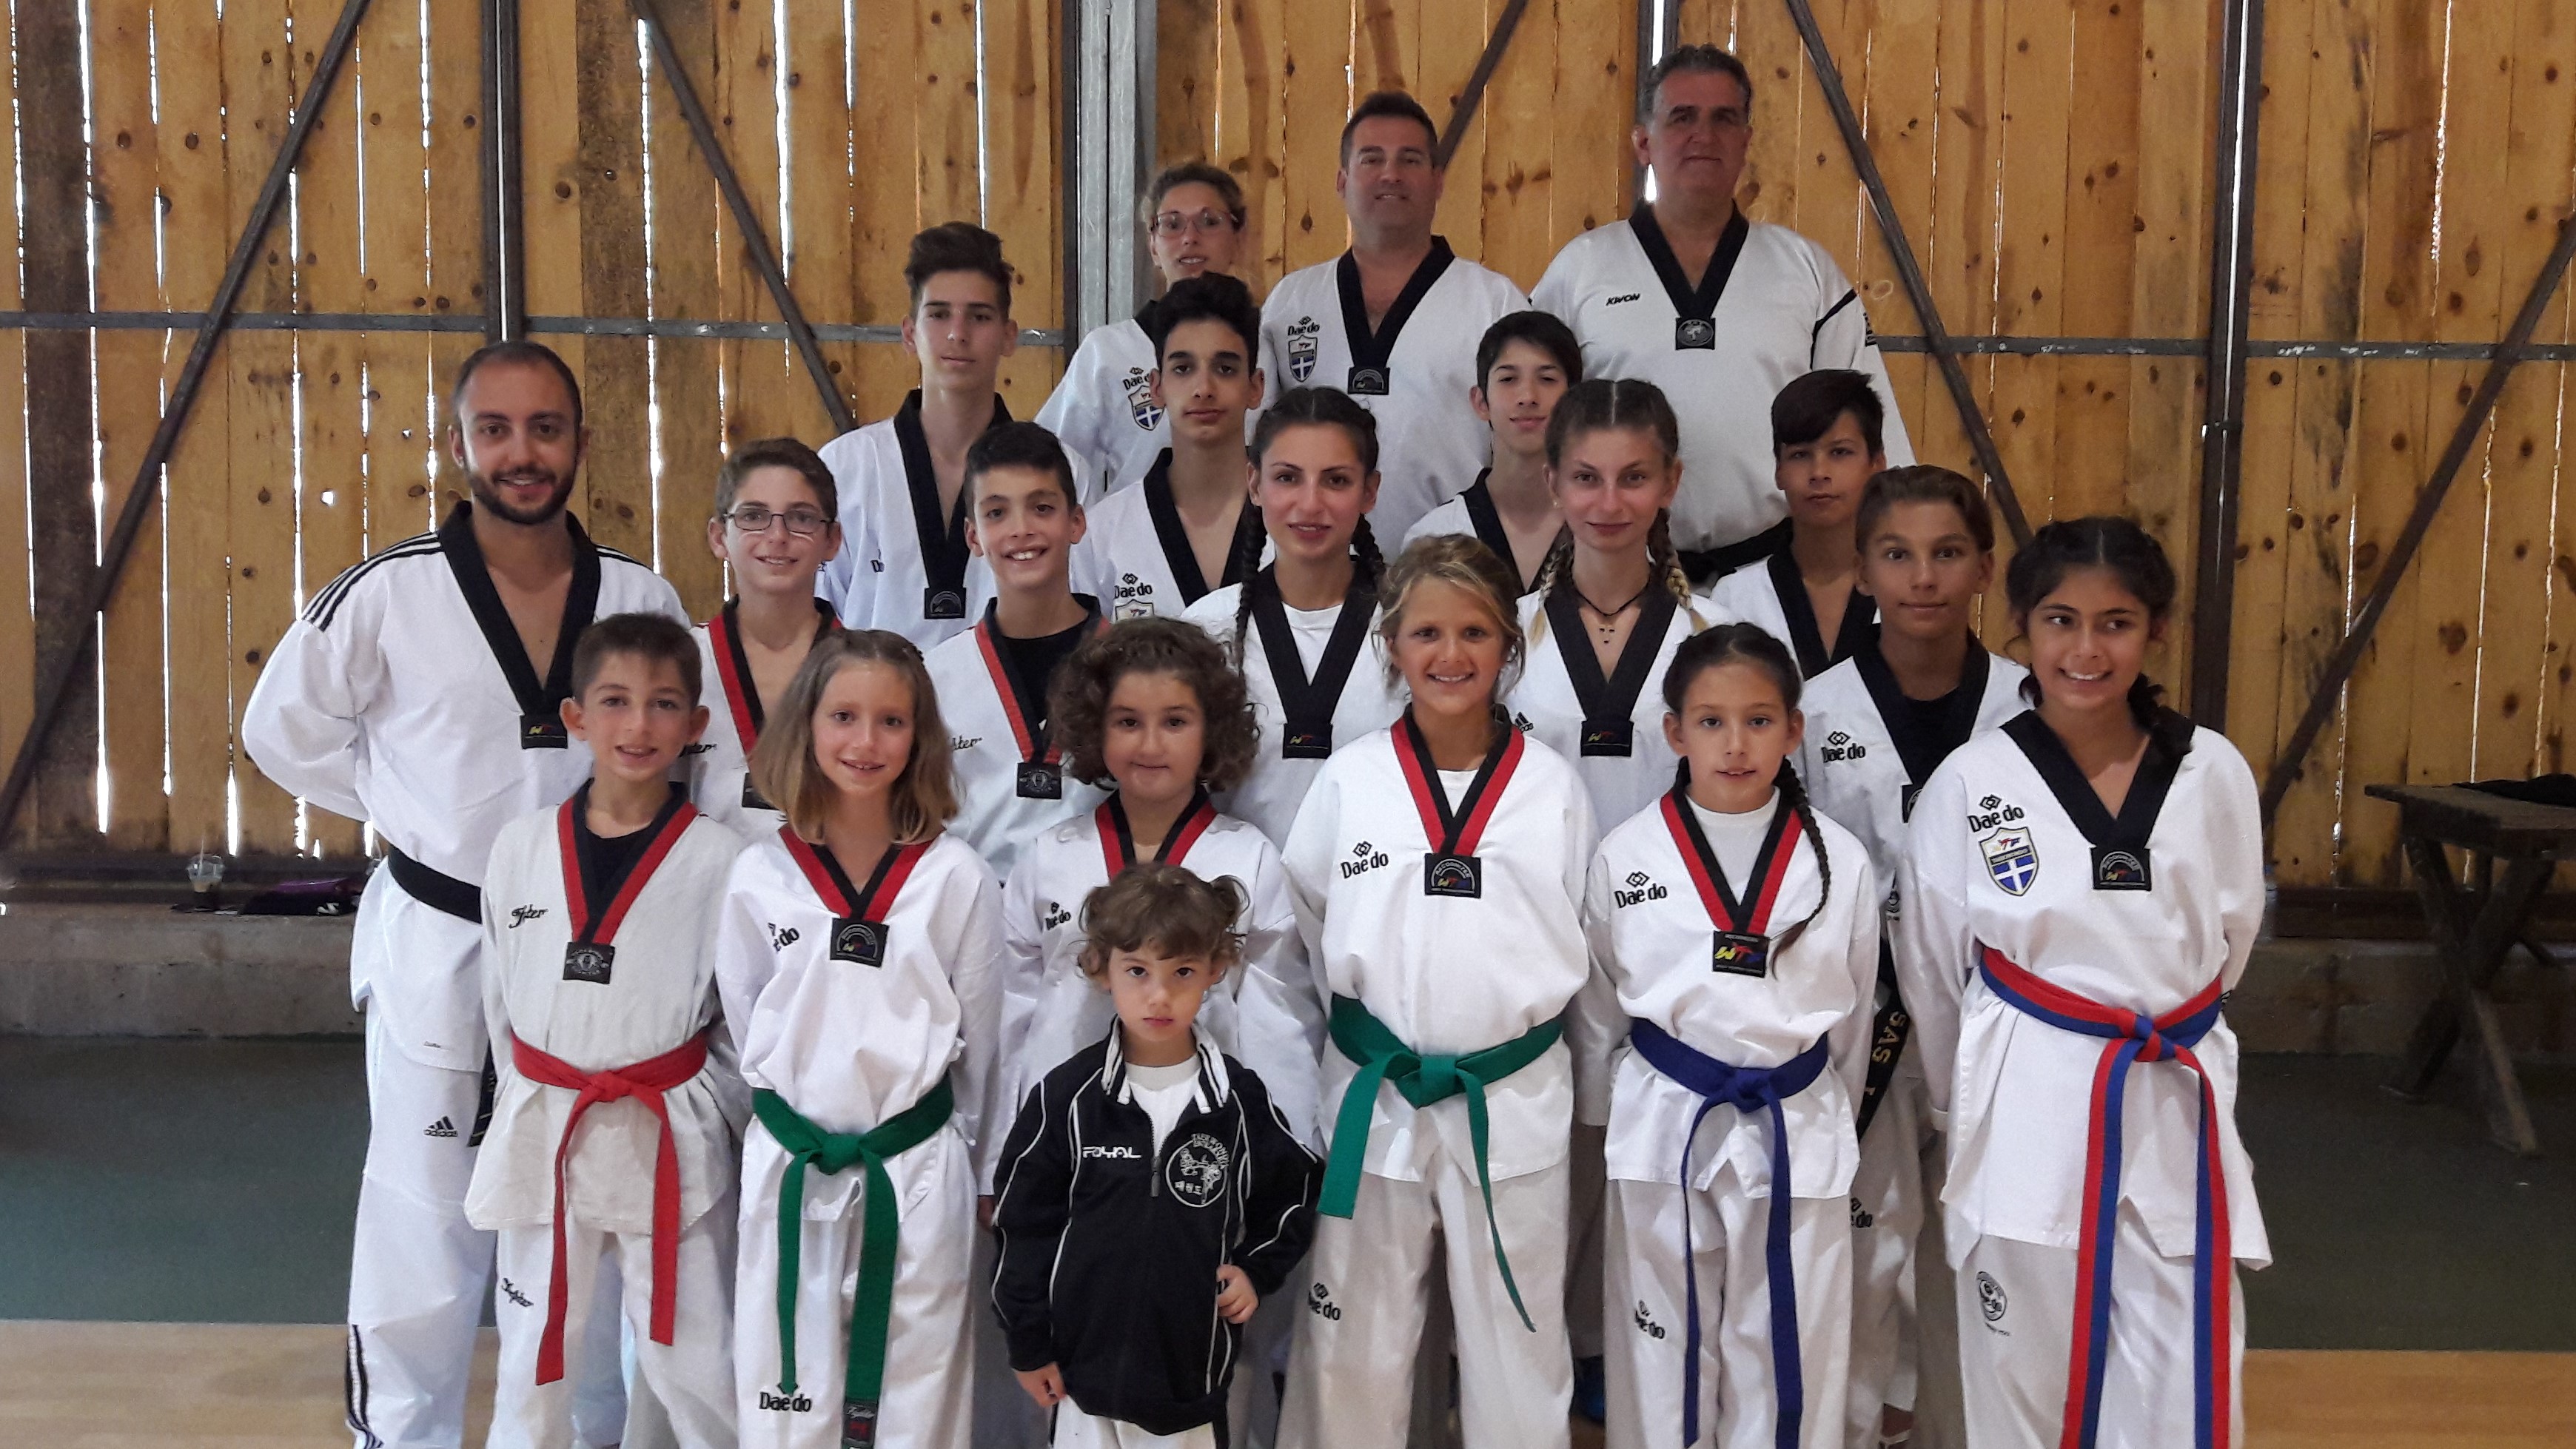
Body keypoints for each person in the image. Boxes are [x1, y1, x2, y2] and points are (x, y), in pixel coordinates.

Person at [242, 340, 686, 1449]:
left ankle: (592, 1433)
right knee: (423, 1217)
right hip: (440, 934)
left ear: (580, 442)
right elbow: (278, 730)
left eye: (545, 428)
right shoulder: (388, 592)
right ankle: (401, 1436)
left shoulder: (639, 593)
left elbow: (684, 751)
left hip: (595, 942)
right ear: (458, 444)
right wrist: (402, 804)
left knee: (589, 1212)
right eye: (496, 429)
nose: (521, 452)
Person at [1893, 518, 2268, 1449]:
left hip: (2170, 1089)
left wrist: (2158, 1009)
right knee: (2028, 1376)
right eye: (2061, 620)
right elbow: (1933, 967)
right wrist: (1959, 1099)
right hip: (2029, 1097)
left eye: (2116, 622)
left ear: (2156, 632)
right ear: (2022, 625)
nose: (2087, 649)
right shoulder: (1972, 780)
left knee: (2187, 1374)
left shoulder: (2211, 769)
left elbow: (2232, 935)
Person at [1273, 535, 1600, 1449]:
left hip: (1511, 1096)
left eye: (1474, 632)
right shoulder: (1352, 779)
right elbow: (1309, 923)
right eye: (1426, 633)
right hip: (1374, 1094)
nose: (1450, 654)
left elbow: (1585, 931)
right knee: (1353, 1345)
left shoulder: (1553, 788)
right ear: (1391, 645)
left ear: (1509, 645)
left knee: (1518, 1345)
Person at [1574, 623, 1878, 1449]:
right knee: (1658, 1343)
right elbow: (1600, 1003)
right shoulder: (1628, 852)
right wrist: (1604, 1112)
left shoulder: (1840, 861)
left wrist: (1833, 1108)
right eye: (1711, 721)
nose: (1736, 744)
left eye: (1759, 720)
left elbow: (1852, 1012)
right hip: (1664, 1120)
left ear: (1794, 729)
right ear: (1675, 732)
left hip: (1794, 1117)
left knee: (1784, 1343)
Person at [716, 631, 1002, 1449]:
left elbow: (983, 1041)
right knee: (786, 1385)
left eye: (891, 721)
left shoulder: (956, 875)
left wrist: (980, 1163)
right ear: (807, 724)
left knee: (920, 1388)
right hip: (795, 1159)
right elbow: (745, 1021)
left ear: (921, 737)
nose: (866, 741)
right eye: (843, 716)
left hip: (914, 1163)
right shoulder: (760, 874)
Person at [468, 613, 747, 1449]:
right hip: (547, 1123)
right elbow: (499, 998)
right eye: (616, 701)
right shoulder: (519, 847)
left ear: (695, 725)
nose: (639, 725)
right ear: (576, 716)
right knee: (534, 1354)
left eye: (664, 704)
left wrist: (718, 1113)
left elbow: (738, 1017)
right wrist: (522, 1096)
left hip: (669, 1131)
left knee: (698, 1358)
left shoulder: (724, 859)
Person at [1793, 466, 2025, 1449]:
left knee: (1983, 1249)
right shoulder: (1815, 710)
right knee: (1865, 1246)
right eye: (1897, 554)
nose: (1923, 576)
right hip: (1864, 1021)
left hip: (1998, 1018)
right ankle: (1852, 1430)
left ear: (1983, 569)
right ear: (1864, 570)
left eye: (1947, 553)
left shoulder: (2029, 706)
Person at [1532, 46, 1913, 577]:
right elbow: (1529, 423)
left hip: (1772, 570)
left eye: (1723, 119)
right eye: (1682, 117)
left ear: (1746, 141)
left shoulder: (1806, 271)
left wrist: (1895, 552)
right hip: (1620, 569)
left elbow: (1870, 429)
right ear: (1644, 142)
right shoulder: (1582, 270)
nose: (1703, 135)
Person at [990, 864, 1324, 1449]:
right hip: (1080, 1380)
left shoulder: (1237, 1100)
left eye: (1183, 972)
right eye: (1138, 971)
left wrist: (1256, 1269)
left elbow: (1293, 1192)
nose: (1160, 996)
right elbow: (1024, 1228)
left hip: (1188, 1381)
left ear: (1216, 970)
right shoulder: (1068, 1097)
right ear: (1102, 969)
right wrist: (1029, 1344)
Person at [1002, 617, 1324, 1144]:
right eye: (1128, 722)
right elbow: (1011, 1020)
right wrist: (1004, 1154)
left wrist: (1286, 1154)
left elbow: (1279, 1027)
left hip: (1206, 1143)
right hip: (1065, 1142)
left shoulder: (1249, 858)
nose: (1151, 745)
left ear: (1211, 729)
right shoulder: (1050, 857)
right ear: (1095, 727)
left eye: (1175, 722)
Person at [816, 223, 1101, 649]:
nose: (957, 334)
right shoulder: (845, 467)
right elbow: (817, 617)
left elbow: (1075, 611)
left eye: (979, 317)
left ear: (1009, 336)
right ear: (910, 333)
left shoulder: (1064, 470)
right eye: (939, 314)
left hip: (1015, 690)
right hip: (871, 688)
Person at [1261, 92, 1529, 542]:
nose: (1391, 174)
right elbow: (1260, 435)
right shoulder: (1292, 301)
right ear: (1342, 181)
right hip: (1316, 561)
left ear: (1438, 181)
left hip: (1454, 560)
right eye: (1372, 159)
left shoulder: (1494, 303)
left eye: (1410, 160)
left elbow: (1530, 446)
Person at [1181, 387, 1403, 847]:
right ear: (1255, 484)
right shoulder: (1206, 629)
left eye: (1336, 480)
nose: (1310, 503)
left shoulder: (1412, 627)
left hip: (1380, 885)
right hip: (1233, 887)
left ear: (1370, 491)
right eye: (1287, 478)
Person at [1511, 378, 1719, 832]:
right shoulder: (1508, 634)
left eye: (1634, 478)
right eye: (1586, 478)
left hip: (1680, 876)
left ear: (1670, 482)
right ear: (1553, 482)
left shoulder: (1718, 637)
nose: (1609, 503)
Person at [920, 423, 1110, 879]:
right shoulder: (935, 676)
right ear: (973, 536)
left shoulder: (1130, 665)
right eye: (997, 513)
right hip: (974, 910)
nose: (1021, 529)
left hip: (1109, 910)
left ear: (1076, 522)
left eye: (1042, 508)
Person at [1040, 162, 1258, 500]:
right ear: (1154, 246)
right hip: (1138, 529)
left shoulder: (1265, 343)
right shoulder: (1108, 351)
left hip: (1251, 526)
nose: (1190, 237)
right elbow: (1049, 459)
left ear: (1238, 239)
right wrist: (1093, 525)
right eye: (1172, 224)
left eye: (1209, 222)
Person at [1084, 275, 1269, 620]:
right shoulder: (1103, 534)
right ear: (1156, 387)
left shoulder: (1293, 519)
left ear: (1255, 387)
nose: (1204, 388)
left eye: (1225, 369)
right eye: (1183, 369)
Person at [692, 438, 845, 834]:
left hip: (832, 873)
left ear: (832, 540)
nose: (777, 535)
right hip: (707, 873)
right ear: (719, 537)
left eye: (802, 518)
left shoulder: (868, 670)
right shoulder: (681, 663)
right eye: (754, 516)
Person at [1704, 371, 1885, 678]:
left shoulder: (1906, 590)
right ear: (1778, 470)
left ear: (1877, 464)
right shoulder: (1736, 598)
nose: (1819, 472)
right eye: (1800, 455)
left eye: (1840, 452)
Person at [1403, 310, 1584, 594]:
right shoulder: (1436, 535)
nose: (1528, 397)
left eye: (1547, 379)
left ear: (1575, 400)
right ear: (1480, 401)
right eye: (1508, 379)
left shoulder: (1601, 526)